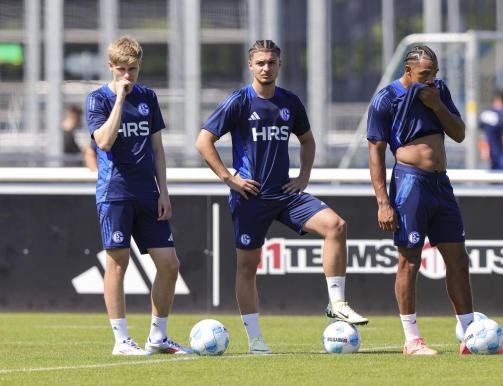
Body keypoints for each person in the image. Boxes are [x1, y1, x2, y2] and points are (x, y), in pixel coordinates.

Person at [196, 40, 368, 354]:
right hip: (251, 196)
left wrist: (303, 177)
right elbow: (203, 141)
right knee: (247, 267)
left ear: (279, 65)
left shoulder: (290, 102)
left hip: (286, 193)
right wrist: (229, 178)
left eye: (271, 62)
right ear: (250, 65)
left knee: (336, 226)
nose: (266, 68)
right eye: (260, 63)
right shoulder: (238, 101)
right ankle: (256, 340)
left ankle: (337, 303)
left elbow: (308, 141)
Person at [367, 45, 503, 355]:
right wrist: (383, 201)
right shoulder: (386, 99)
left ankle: (470, 335)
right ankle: (412, 339)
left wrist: (436, 105)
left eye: (434, 73)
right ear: (408, 71)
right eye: (425, 74)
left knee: (458, 260)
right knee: (409, 261)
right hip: (409, 185)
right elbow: (376, 151)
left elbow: (459, 133)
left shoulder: (437, 90)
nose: (431, 79)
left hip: (440, 185)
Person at [85, 36, 190, 356]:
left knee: (170, 264)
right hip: (115, 192)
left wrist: (164, 192)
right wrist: (119, 100)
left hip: (148, 194)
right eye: (122, 70)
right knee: (118, 264)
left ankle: (158, 336)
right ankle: (121, 340)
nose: (128, 76)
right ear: (110, 67)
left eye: (133, 69)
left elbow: (157, 149)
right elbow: (103, 142)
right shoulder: (97, 100)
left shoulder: (148, 98)